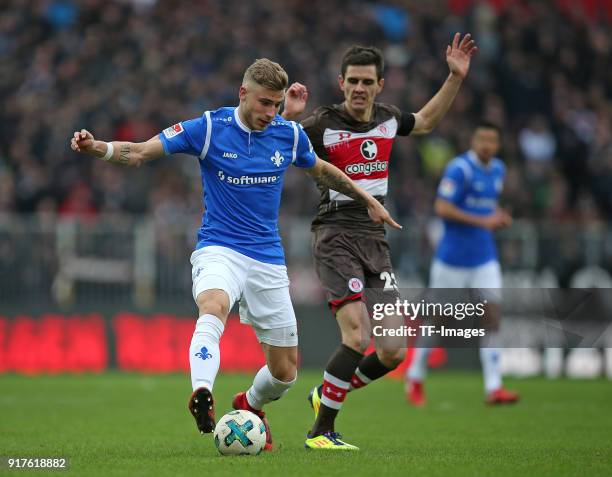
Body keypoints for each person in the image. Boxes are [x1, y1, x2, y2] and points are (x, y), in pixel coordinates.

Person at [70, 58, 400, 451]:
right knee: (213, 306)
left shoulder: (287, 134)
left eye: (277, 104)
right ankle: (202, 393)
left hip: (267, 259)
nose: (271, 113)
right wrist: (98, 148)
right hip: (220, 248)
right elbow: (140, 152)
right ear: (243, 94)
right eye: (264, 103)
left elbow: (325, 172)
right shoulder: (208, 128)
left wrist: (367, 200)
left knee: (285, 372)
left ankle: (249, 403)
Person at [281, 33, 477, 450]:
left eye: (367, 82)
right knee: (356, 337)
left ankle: (326, 395)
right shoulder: (321, 123)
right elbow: (278, 142)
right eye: (352, 81)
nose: (359, 89)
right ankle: (321, 433)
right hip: (335, 235)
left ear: (380, 86)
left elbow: (424, 122)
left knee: (392, 350)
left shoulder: (387, 118)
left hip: (375, 238)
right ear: (341, 82)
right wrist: (287, 115)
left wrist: (455, 78)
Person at [405, 122, 519, 406]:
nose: (487, 146)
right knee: (439, 321)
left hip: (484, 258)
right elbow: (442, 208)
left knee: (492, 316)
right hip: (451, 260)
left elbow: (486, 207)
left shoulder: (498, 170)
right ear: (473, 140)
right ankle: (415, 375)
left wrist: (499, 217)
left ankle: (494, 387)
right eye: (482, 139)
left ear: (498, 144)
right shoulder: (460, 169)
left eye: (492, 141)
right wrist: (485, 221)